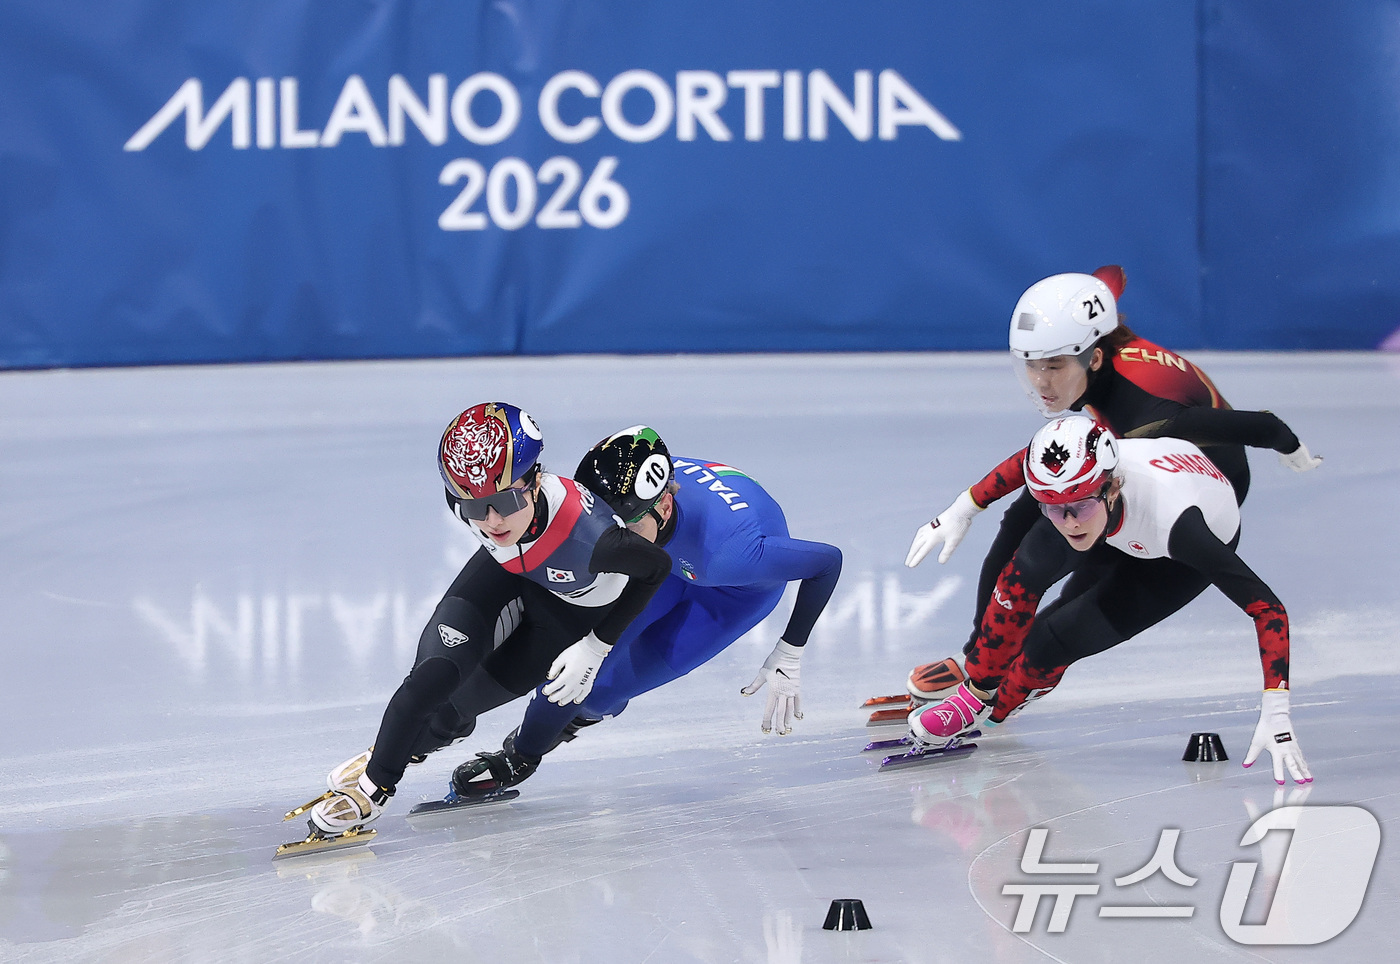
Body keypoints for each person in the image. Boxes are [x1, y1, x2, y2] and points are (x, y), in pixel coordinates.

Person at [902, 267, 1321, 699]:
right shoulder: (1102, 340)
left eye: (1054, 366)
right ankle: (982, 658)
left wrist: (1294, 451)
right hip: (1131, 455)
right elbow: (1106, 285)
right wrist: (965, 507)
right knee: (1029, 512)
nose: (1042, 382)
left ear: (1095, 357)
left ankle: (1022, 671)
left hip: (1195, 488)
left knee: (1095, 566)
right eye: (1031, 366)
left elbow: (1263, 427)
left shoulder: (1152, 418)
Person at [290, 403, 671, 843]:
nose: (492, 521)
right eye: (477, 507)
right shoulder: (467, 504)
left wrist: (596, 645)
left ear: (535, 480)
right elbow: (483, 509)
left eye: (506, 501)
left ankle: (402, 752)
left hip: (567, 615)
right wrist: (379, 780)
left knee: (454, 709)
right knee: (431, 678)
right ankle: (374, 790)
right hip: (507, 577)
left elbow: (656, 568)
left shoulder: (594, 538)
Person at [909, 415, 1313, 786]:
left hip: (1173, 555)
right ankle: (974, 697)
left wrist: (1276, 704)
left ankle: (1004, 706)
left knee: (1051, 644)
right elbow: (1023, 464)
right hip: (1121, 511)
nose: (1068, 522)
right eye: (1053, 509)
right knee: (1020, 577)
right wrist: (963, 508)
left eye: (1078, 507)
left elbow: (1267, 608)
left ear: (1113, 485)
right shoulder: (1074, 490)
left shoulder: (1179, 525)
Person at [449, 425, 843, 796]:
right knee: (576, 662)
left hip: (730, 595)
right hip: (666, 560)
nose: (614, 539)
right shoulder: (626, 489)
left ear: (666, 505)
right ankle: (522, 753)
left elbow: (827, 561)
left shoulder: (731, 554)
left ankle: (553, 734)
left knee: (601, 692)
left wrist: (790, 650)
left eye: (627, 527)